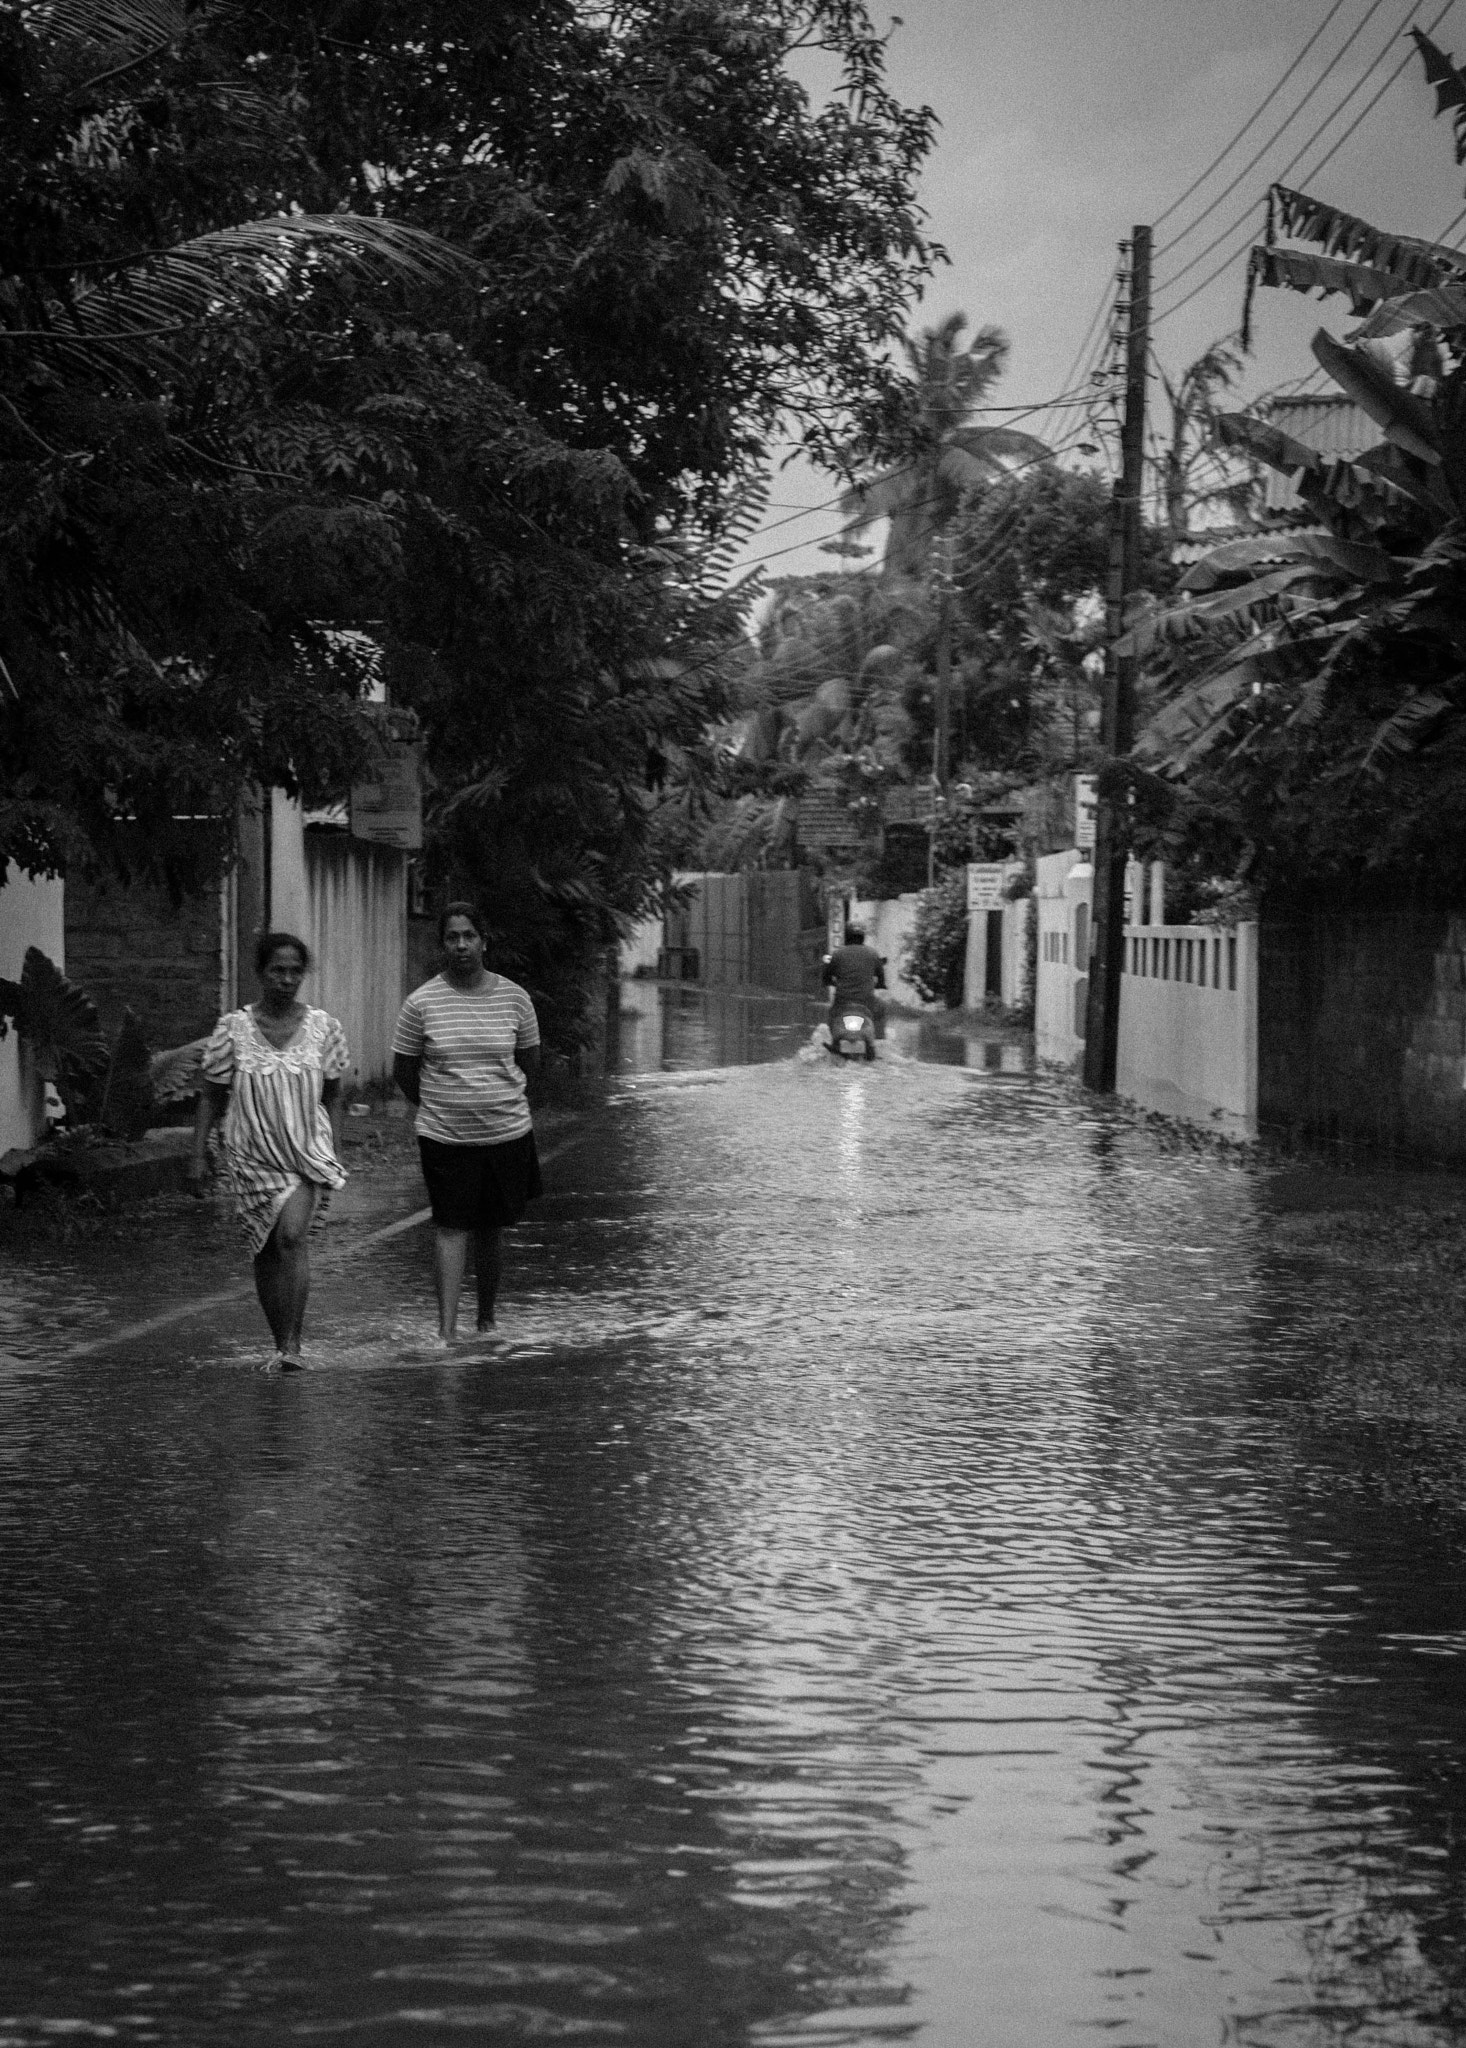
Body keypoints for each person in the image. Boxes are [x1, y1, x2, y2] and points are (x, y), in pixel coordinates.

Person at [190, 933, 349, 1370]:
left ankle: (292, 1347)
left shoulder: (323, 1028)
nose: (286, 979)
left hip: (305, 1155)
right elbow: (210, 1095)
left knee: (291, 1237)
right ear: (260, 973)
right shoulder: (233, 1029)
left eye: (295, 970)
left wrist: (334, 1146)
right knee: (264, 1247)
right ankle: (279, 1342)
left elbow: (334, 1094)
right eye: (278, 970)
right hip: (250, 1157)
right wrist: (198, 1154)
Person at [391, 902, 542, 1345]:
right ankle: (446, 1331)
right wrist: (440, 1104)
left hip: (506, 1133)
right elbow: (404, 1069)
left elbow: (530, 1063)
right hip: (443, 1135)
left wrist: (496, 1101)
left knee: (491, 1229)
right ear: (443, 945)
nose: (460, 945)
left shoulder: (515, 999)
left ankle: (487, 1318)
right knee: (450, 1226)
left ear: (484, 942)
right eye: (452, 937)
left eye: (468, 936)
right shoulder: (421, 1003)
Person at [822, 924, 887, 1055]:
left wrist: (830, 982)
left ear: (846, 937)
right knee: (882, 1007)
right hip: (867, 1003)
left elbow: (826, 976)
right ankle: (878, 1042)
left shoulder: (837, 954)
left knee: (831, 1013)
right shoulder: (873, 954)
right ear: (862, 938)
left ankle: (835, 1042)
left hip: (842, 1003)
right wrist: (880, 984)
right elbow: (881, 977)